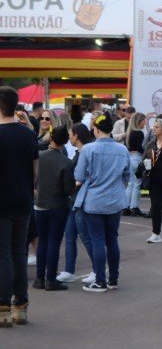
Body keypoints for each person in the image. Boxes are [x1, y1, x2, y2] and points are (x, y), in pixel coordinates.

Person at [73, 113, 129, 293]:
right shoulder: (123, 150)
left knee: (97, 239)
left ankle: (100, 280)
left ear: (96, 129)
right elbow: (127, 176)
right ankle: (113, 278)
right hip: (115, 199)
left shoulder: (89, 149)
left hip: (94, 200)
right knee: (112, 239)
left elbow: (79, 176)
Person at [0, 87, 39, 327]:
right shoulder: (28, 135)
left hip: (1, 202)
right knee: (19, 253)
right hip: (23, 201)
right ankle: (20, 307)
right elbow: (35, 172)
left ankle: (3, 307)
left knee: (2, 253)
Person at [32, 125, 74, 291]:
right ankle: (51, 279)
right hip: (58, 205)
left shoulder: (40, 156)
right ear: (65, 141)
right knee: (54, 242)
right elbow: (69, 189)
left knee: (42, 240)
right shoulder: (66, 162)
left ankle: (39, 278)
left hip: (40, 203)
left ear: (51, 138)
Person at [56, 123, 94, 284]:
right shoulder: (81, 152)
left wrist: (72, 185)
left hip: (81, 200)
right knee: (70, 235)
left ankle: (97, 269)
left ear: (76, 136)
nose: (69, 137)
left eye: (71, 134)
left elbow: (83, 176)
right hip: (74, 200)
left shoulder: (85, 152)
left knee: (85, 236)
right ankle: (69, 270)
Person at [123, 113, 146, 217]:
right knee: (137, 183)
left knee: (130, 183)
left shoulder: (129, 133)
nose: (145, 123)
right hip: (137, 157)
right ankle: (134, 206)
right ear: (139, 122)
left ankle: (126, 206)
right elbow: (140, 148)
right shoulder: (139, 133)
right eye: (143, 121)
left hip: (130, 157)